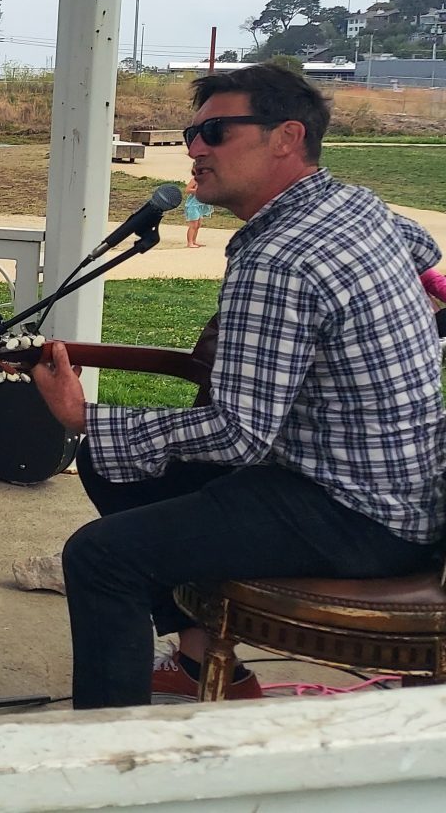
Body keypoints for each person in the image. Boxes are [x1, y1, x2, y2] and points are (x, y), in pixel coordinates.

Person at [28, 62, 445, 710]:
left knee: (101, 557)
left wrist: (88, 415)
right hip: (403, 487)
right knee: (117, 470)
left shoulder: (277, 256)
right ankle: (199, 660)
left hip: (355, 511)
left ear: (286, 137)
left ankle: (109, 770)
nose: (194, 148)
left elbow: (239, 435)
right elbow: (420, 248)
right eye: (193, 133)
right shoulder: (351, 203)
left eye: (216, 131)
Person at [182, 174, 210, 248]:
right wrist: (198, 190)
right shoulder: (195, 180)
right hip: (193, 205)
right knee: (193, 224)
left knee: (198, 224)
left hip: (201, 205)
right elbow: (187, 190)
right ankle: (190, 242)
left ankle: (194, 241)